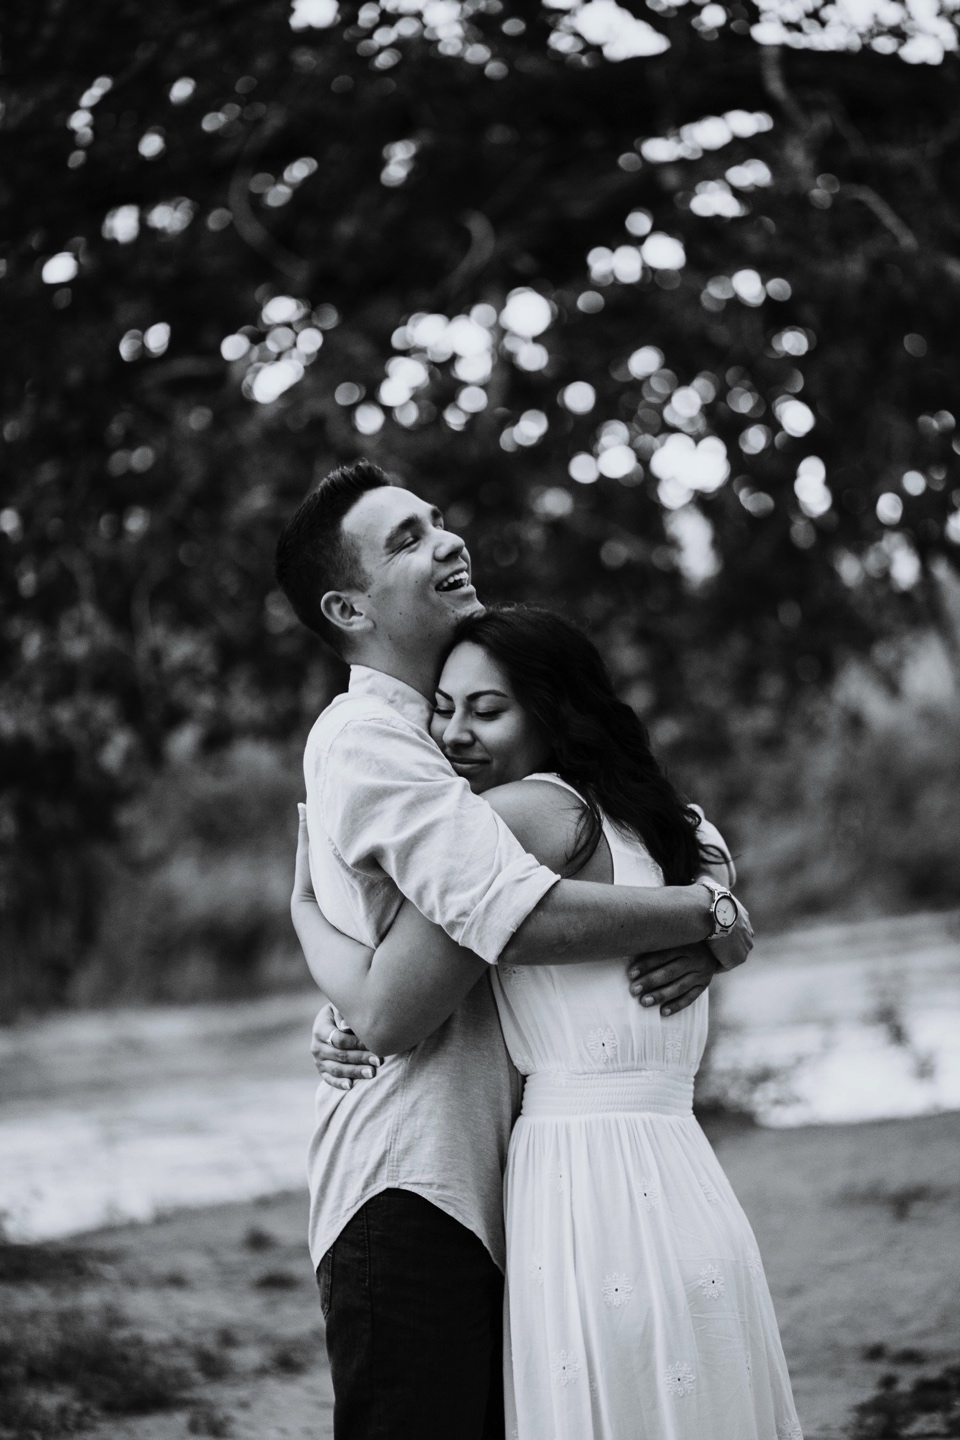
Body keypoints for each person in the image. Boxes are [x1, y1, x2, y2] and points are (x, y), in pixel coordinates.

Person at [274, 459, 753, 1440]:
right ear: (348, 607)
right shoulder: (372, 739)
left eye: (439, 520)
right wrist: (705, 913)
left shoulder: (472, 752)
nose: (448, 542)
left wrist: (717, 922)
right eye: (406, 538)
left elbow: (576, 890)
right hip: (417, 1178)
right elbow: (506, 923)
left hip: (517, 1185)